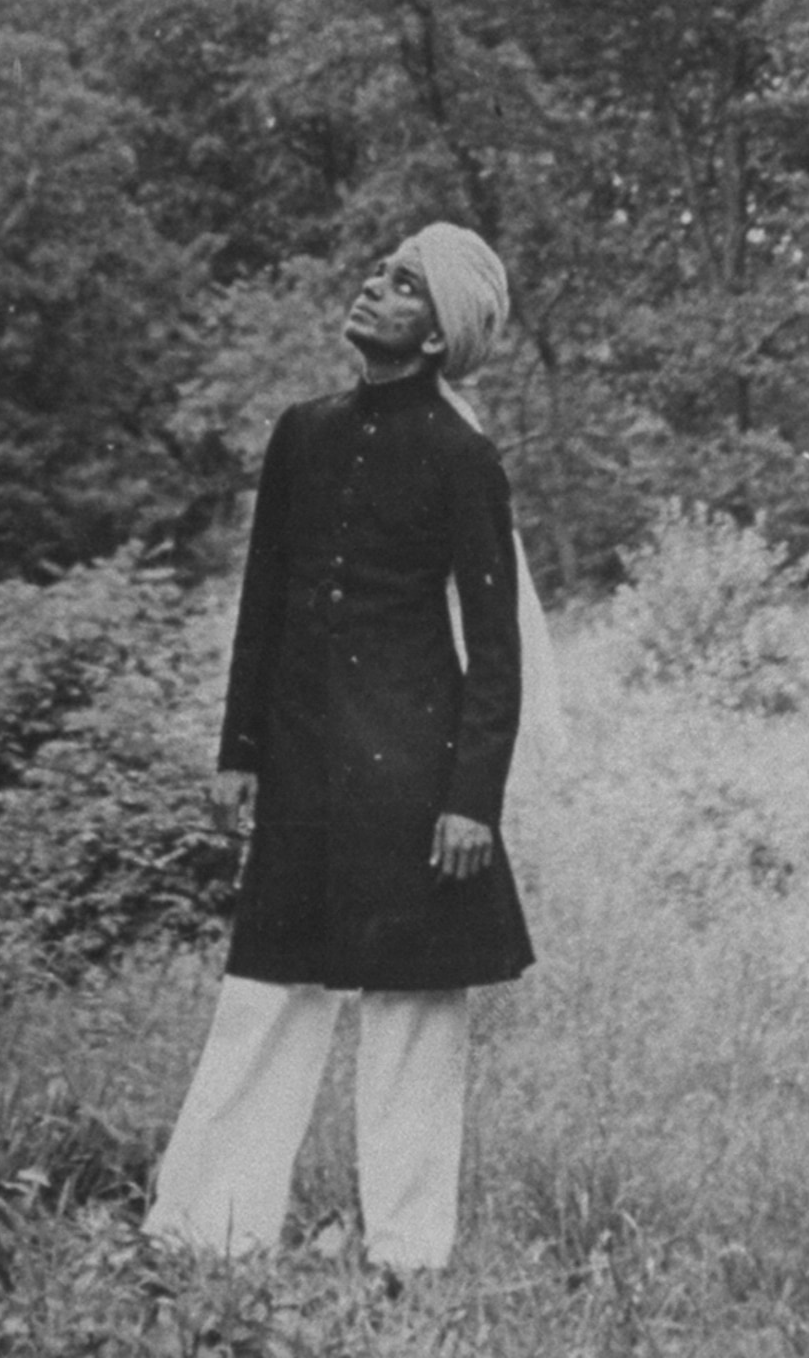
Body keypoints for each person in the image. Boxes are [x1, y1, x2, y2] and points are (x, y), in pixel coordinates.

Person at [145, 225, 541, 1278]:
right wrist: (239, 748)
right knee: (265, 994)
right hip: (303, 767)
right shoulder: (301, 432)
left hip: (412, 777)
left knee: (412, 1013)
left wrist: (472, 800)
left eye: (404, 285)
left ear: (437, 332)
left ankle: (408, 1256)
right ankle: (206, 1233)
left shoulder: (464, 459)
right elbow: (261, 599)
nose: (374, 286)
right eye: (379, 271)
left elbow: (496, 653)